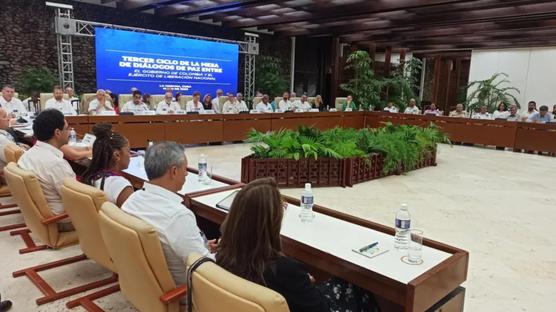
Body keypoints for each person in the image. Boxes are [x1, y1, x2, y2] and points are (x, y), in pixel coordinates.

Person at [216, 178, 376, 312]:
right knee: (357, 287)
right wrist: (303, 282)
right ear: (270, 222)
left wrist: (303, 282)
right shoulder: (285, 270)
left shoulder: (224, 253)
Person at [122, 142, 217, 287]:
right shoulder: (178, 216)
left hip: (144, 283)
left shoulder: (131, 201)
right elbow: (205, 269)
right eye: (185, 169)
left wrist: (201, 246)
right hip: (187, 291)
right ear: (174, 171)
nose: (186, 174)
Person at [17, 109, 75, 231]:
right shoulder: (56, 164)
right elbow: (76, 199)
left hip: (40, 214)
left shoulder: (27, 155)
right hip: (63, 219)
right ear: (57, 132)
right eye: (68, 128)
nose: (70, 132)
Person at [81, 124, 133, 207]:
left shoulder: (92, 177)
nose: (130, 155)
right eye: (128, 151)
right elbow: (131, 219)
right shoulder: (122, 186)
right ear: (117, 155)